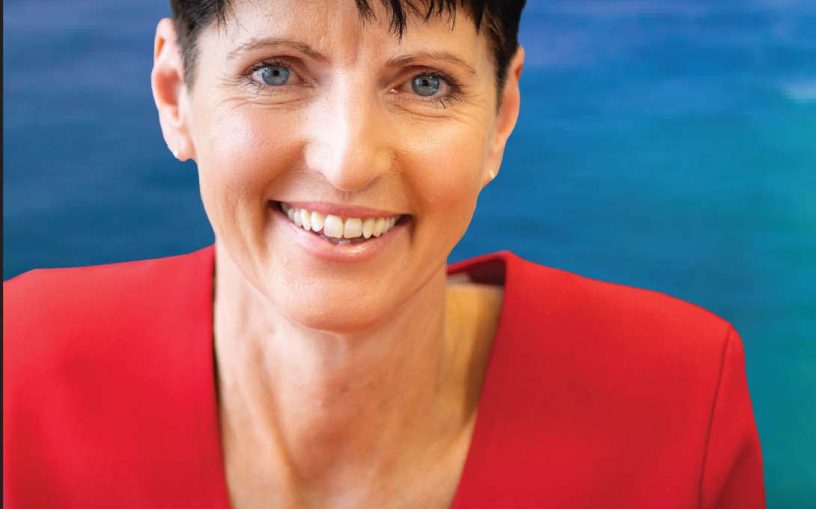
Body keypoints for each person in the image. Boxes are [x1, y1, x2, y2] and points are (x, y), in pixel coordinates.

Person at [2, 0, 765, 507]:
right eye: (274, 72)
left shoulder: (678, 399)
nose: (347, 162)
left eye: (425, 83)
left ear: (501, 115)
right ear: (176, 93)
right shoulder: (18, 369)